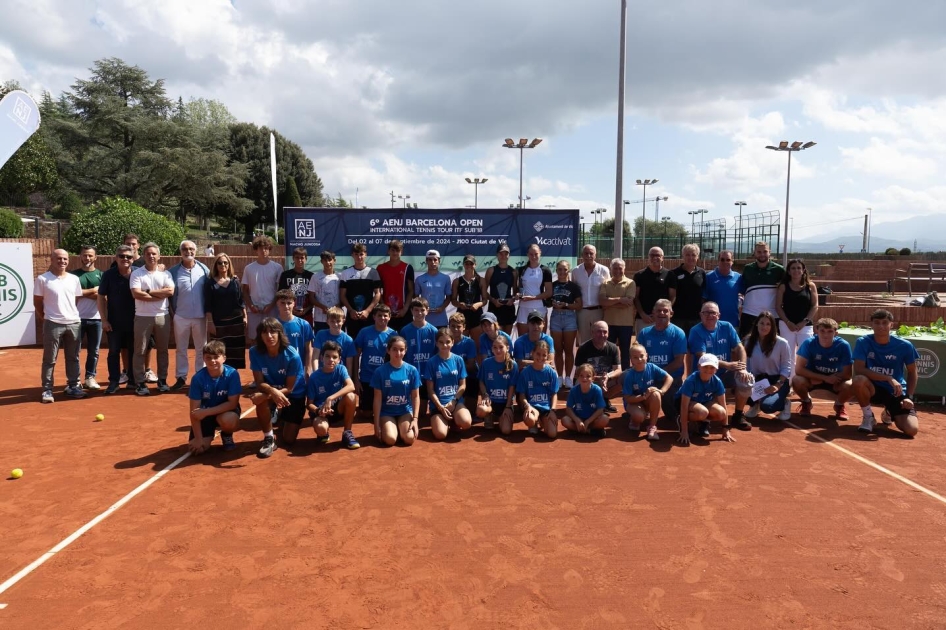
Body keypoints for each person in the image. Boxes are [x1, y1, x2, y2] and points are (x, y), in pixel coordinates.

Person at [850, 309, 920, 436]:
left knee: (911, 430)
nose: (881, 326)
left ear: (891, 325)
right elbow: (859, 369)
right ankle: (868, 417)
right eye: (877, 322)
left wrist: (909, 397)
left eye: (884, 322)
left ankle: (888, 412)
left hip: (896, 391)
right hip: (872, 387)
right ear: (872, 324)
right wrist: (888, 378)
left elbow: (912, 372)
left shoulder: (905, 345)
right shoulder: (863, 342)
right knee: (858, 380)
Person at [688, 301, 752, 430]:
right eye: (706, 312)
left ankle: (738, 415)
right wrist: (727, 365)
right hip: (704, 375)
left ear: (719, 315)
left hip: (724, 374)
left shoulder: (727, 327)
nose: (709, 315)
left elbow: (740, 348)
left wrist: (743, 368)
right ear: (700, 315)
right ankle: (702, 420)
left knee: (746, 380)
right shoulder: (696, 331)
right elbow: (702, 356)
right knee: (705, 402)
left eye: (713, 313)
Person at [249, 318, 305, 458]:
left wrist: (269, 394)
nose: (269, 336)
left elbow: (290, 388)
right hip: (271, 390)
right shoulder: (254, 352)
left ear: (280, 333)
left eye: (273, 332)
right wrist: (272, 392)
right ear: (260, 336)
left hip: (293, 394)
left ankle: (281, 414)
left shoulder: (292, 355)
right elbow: (260, 382)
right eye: (265, 332)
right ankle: (268, 438)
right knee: (260, 400)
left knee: (288, 439)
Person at [35, 249, 86, 403]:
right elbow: (37, 302)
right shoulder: (43, 279)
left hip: (74, 323)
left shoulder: (74, 279)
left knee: (73, 358)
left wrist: (69, 315)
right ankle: (47, 390)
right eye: (58, 258)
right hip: (52, 324)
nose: (62, 261)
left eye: (65, 259)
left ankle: (72, 386)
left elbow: (75, 300)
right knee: (49, 359)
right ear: (51, 259)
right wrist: (46, 318)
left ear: (68, 261)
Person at [129, 243, 175, 395]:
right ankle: (140, 383)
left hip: (163, 316)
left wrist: (148, 292)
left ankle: (162, 380)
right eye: (148, 254)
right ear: (144, 256)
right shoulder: (137, 274)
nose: (151, 256)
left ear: (159, 256)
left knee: (163, 350)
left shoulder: (166, 274)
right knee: (140, 351)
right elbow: (136, 294)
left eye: (154, 254)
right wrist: (157, 295)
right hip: (142, 317)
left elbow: (170, 291)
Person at [733, 311, 793, 423]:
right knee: (739, 388)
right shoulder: (747, 341)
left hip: (776, 380)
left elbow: (786, 367)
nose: (764, 327)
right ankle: (755, 404)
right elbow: (744, 363)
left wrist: (777, 385)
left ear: (773, 326)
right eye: (762, 323)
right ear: (756, 324)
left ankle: (784, 403)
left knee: (768, 407)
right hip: (756, 379)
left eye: (768, 324)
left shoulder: (782, 343)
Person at [186, 340, 242, 454]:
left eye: (216, 357)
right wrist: (198, 439)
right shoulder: (197, 379)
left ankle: (226, 434)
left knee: (229, 420)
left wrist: (206, 412)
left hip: (225, 411)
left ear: (224, 358)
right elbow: (194, 412)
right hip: (204, 416)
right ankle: (207, 435)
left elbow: (232, 404)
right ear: (204, 358)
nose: (212, 361)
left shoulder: (232, 374)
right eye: (208, 357)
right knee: (197, 449)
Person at [635, 299, 687, 420]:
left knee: (672, 416)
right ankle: (640, 408)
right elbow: (636, 356)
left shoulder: (678, 333)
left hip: (670, 379)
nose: (662, 313)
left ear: (671, 313)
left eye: (665, 311)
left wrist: (658, 374)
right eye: (658, 310)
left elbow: (679, 362)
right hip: (648, 378)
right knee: (627, 376)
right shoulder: (644, 333)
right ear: (653, 312)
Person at [168, 240, 210, 391]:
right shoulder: (173, 272)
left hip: (200, 316)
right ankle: (181, 377)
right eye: (185, 249)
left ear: (196, 251)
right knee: (181, 348)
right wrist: (173, 314)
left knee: (201, 348)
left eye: (191, 249)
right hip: (180, 316)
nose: (188, 252)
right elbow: (168, 295)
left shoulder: (204, 269)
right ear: (180, 252)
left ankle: (201, 377)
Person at [793, 317, 853, 418]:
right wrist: (824, 378)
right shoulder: (809, 343)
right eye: (822, 331)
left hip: (835, 380)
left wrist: (833, 379)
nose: (825, 335)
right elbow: (799, 369)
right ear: (816, 331)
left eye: (830, 331)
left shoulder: (843, 345)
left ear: (836, 333)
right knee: (796, 380)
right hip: (813, 379)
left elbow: (848, 374)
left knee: (851, 384)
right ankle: (806, 402)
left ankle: (839, 405)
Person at [98, 245, 137, 395]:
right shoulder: (108, 275)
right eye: (121, 256)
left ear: (133, 258)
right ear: (116, 257)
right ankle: (114, 382)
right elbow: (101, 297)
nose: (125, 259)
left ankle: (133, 381)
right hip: (114, 323)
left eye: (128, 257)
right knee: (114, 352)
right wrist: (104, 320)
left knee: (135, 352)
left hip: (135, 322)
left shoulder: (138, 274)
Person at [305, 340, 359, 449]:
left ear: (339, 359)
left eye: (334, 357)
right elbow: (309, 404)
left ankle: (347, 433)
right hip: (321, 412)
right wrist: (318, 411)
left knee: (351, 396)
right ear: (321, 358)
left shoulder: (341, 369)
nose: (331, 360)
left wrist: (330, 398)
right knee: (321, 428)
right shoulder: (314, 377)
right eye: (327, 356)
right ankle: (324, 433)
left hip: (337, 408)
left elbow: (351, 386)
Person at [371, 335, 422, 446]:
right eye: (394, 349)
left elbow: (415, 396)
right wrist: (376, 424)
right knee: (390, 440)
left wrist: (415, 420)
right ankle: (392, 429)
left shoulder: (412, 370)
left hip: (404, 411)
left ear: (406, 351)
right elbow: (377, 398)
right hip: (387, 412)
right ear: (388, 350)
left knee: (409, 439)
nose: (398, 353)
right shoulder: (380, 371)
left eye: (401, 350)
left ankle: (400, 429)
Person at [675, 353, 734, 445]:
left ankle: (703, 422)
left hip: (703, 402)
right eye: (705, 366)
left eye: (712, 367)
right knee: (702, 412)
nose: (708, 370)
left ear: (716, 369)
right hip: (683, 404)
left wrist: (725, 429)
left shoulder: (717, 382)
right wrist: (684, 431)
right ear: (699, 367)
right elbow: (683, 406)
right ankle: (684, 421)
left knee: (721, 412)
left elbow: (723, 404)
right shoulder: (691, 381)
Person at [425, 327, 472, 439]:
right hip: (438, 404)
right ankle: (444, 420)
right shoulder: (431, 362)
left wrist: (454, 401)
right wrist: (440, 407)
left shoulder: (458, 360)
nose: (444, 345)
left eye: (447, 342)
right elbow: (430, 390)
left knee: (466, 423)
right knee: (440, 435)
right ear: (436, 343)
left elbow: (463, 385)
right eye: (441, 342)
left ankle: (454, 420)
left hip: (454, 402)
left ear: (452, 342)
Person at [775, 258, 817, 377]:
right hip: (786, 325)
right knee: (788, 355)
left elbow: (815, 306)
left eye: (799, 268)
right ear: (788, 271)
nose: (796, 270)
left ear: (803, 270)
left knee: (805, 355)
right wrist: (788, 322)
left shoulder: (810, 286)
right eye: (793, 268)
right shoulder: (783, 287)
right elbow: (778, 307)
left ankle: (803, 383)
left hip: (806, 326)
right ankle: (789, 382)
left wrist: (804, 322)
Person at [204, 253, 247, 370]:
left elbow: (241, 300)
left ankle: (232, 377)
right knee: (218, 350)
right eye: (220, 263)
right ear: (216, 265)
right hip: (219, 322)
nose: (223, 265)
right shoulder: (210, 283)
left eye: (225, 262)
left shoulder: (235, 281)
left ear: (229, 265)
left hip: (236, 322)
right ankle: (220, 376)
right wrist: (210, 322)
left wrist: (245, 316)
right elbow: (208, 305)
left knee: (235, 350)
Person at [622, 344, 672, 441]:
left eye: (641, 356)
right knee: (639, 417)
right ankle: (635, 420)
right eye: (635, 357)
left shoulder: (652, 367)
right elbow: (628, 398)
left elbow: (669, 378)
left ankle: (652, 427)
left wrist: (662, 391)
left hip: (646, 400)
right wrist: (644, 396)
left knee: (656, 394)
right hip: (633, 402)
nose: (639, 359)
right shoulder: (629, 375)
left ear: (647, 356)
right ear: (631, 360)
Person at [354, 305, 395, 418]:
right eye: (379, 315)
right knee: (366, 415)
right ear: (374, 317)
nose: (382, 318)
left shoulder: (393, 335)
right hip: (367, 378)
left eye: (385, 316)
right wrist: (356, 379)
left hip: (385, 378)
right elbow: (356, 355)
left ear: (390, 317)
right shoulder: (364, 332)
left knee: (385, 412)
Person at [70, 245, 103, 390]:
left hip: (97, 319)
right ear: (80, 256)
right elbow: (72, 294)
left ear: (95, 257)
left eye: (90, 255)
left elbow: (104, 297)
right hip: (76, 319)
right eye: (84, 255)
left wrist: (83, 293)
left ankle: (90, 377)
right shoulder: (73, 275)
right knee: (75, 351)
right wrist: (93, 291)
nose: (87, 258)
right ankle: (75, 380)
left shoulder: (101, 275)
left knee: (94, 351)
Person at [737, 241, 785, 338]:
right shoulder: (748, 269)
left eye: (765, 251)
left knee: (771, 347)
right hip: (749, 314)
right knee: (747, 344)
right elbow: (742, 290)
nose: (762, 254)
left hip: (772, 316)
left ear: (769, 252)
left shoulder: (779, 270)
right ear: (754, 252)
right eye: (759, 252)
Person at [242, 235, 283, 343]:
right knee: (255, 340)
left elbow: (279, 290)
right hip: (254, 311)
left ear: (269, 250)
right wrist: (251, 306)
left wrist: (271, 305)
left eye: (266, 248)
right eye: (260, 248)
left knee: (272, 340)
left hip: (272, 310)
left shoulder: (277, 268)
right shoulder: (249, 268)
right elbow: (245, 290)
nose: (263, 251)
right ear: (256, 250)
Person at [574, 320, 623, 410]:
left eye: (605, 332)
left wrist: (607, 376)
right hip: (590, 379)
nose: (602, 334)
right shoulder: (583, 348)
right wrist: (596, 378)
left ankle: (604, 399)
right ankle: (588, 403)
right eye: (599, 331)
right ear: (592, 333)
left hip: (606, 380)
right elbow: (578, 372)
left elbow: (618, 370)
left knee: (623, 380)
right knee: (579, 383)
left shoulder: (613, 348)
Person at [516, 340, 560, 438]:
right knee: (530, 420)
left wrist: (553, 410)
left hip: (546, 408)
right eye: (538, 354)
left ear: (548, 356)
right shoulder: (525, 372)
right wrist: (527, 406)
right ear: (532, 353)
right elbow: (521, 395)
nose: (540, 358)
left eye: (544, 355)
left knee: (552, 434)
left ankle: (542, 420)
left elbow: (554, 394)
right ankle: (534, 422)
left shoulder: (551, 373)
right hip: (532, 407)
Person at [549, 259, 582, 388]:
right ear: (556, 271)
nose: (562, 272)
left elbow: (579, 305)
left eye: (565, 269)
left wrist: (566, 305)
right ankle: (559, 377)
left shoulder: (573, 286)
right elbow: (546, 300)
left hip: (569, 317)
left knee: (568, 350)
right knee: (558, 350)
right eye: (559, 269)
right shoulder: (552, 285)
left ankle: (568, 377)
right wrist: (551, 303)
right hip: (556, 317)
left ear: (568, 271)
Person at [476, 334, 519, 433]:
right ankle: (489, 415)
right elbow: (481, 381)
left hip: (505, 403)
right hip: (491, 402)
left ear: (507, 348)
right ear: (492, 349)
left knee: (506, 431)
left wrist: (508, 407)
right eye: (495, 347)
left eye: (501, 347)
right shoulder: (486, 363)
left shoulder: (513, 365)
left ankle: (501, 418)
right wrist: (485, 395)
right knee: (480, 410)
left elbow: (512, 387)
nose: (498, 350)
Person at [339, 242, 382, 340]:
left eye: (361, 254)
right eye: (356, 254)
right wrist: (350, 310)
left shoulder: (373, 272)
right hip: (352, 316)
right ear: (352, 255)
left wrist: (368, 310)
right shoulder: (345, 273)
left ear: (366, 254)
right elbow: (342, 295)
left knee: (369, 343)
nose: (359, 257)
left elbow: (378, 293)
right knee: (353, 344)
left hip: (369, 316)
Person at [599, 258, 636, 371]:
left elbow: (629, 302)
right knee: (608, 351)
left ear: (624, 269)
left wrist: (609, 303)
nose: (617, 271)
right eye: (615, 268)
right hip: (609, 324)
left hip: (626, 324)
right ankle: (608, 376)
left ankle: (624, 376)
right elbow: (602, 301)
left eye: (620, 268)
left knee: (625, 352)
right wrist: (621, 300)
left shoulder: (630, 283)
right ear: (611, 269)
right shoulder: (605, 283)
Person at [570, 244, 610, 345]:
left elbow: (608, 290)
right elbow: (573, 292)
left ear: (595, 255)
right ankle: (585, 361)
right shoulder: (575, 271)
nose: (588, 256)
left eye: (591, 253)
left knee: (600, 340)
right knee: (584, 342)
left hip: (599, 311)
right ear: (582, 255)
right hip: (582, 312)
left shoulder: (604, 270)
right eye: (586, 253)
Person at [633, 246, 675, 334]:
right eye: (652, 255)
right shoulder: (639, 275)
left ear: (662, 258)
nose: (655, 257)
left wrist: (663, 313)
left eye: (658, 255)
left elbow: (672, 296)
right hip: (644, 319)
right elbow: (636, 297)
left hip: (662, 318)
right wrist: (642, 314)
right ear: (648, 257)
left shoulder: (670, 275)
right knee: (642, 346)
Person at [562, 363, 610, 438]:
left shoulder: (597, 390)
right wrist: (577, 420)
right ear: (577, 377)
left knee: (605, 419)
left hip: (593, 419)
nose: (584, 379)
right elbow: (568, 409)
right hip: (579, 418)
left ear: (593, 378)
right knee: (565, 420)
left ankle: (580, 430)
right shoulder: (573, 390)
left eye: (588, 376)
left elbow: (600, 409)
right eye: (581, 376)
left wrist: (588, 421)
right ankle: (589, 431)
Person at [274, 289, 315, 374]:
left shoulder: (304, 324)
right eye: (282, 303)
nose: (286, 306)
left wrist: (308, 369)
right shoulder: (272, 325)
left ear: (294, 303)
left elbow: (309, 349)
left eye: (289, 303)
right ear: (277, 304)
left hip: (298, 369)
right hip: (278, 370)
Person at [400, 297, 439, 384]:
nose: (419, 313)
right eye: (416, 310)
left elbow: (437, 353)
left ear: (427, 311)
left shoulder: (434, 331)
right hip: (409, 374)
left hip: (429, 375)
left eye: (422, 310)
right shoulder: (405, 331)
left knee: (426, 397)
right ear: (411, 311)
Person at [377, 240, 414, 332]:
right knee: (387, 340)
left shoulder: (407, 268)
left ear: (402, 252)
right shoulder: (380, 268)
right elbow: (378, 291)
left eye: (398, 250)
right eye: (393, 250)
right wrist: (384, 308)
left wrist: (405, 309)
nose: (395, 253)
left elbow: (411, 290)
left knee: (404, 341)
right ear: (388, 251)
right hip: (386, 313)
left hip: (404, 312)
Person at [516, 244, 553, 335]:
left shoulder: (545, 270)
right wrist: (517, 294)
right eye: (531, 254)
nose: (534, 256)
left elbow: (549, 292)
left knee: (540, 340)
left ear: (540, 253)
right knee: (523, 340)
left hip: (539, 307)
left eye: (536, 254)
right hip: (524, 308)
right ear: (527, 255)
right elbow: (518, 288)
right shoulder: (521, 270)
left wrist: (532, 298)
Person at [670, 244, 706, 336]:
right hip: (678, 318)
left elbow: (704, 295)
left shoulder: (702, 273)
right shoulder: (674, 273)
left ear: (697, 257)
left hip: (696, 318)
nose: (690, 257)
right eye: (687, 255)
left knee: (694, 347)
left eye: (693, 255)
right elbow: (671, 295)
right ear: (683, 256)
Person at [484, 242, 518, 334]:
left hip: (508, 309)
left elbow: (515, 292)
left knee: (506, 339)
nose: (503, 256)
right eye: (501, 253)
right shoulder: (491, 270)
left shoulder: (513, 272)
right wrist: (493, 300)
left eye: (506, 253)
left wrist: (512, 299)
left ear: (509, 255)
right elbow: (483, 291)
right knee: (495, 337)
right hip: (494, 308)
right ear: (497, 255)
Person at [703, 250, 741, 330]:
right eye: (722, 259)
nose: (725, 262)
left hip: (733, 323)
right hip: (713, 323)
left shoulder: (738, 277)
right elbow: (703, 299)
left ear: (732, 261)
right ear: (718, 261)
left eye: (728, 260)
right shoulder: (709, 277)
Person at [451, 254, 487, 342]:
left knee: (478, 346)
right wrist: (460, 304)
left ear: (475, 265)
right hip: (461, 317)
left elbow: (485, 300)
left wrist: (478, 304)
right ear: (463, 265)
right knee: (460, 344)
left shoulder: (481, 280)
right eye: (466, 264)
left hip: (476, 316)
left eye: (471, 264)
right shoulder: (457, 281)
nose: (469, 266)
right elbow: (453, 300)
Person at [313, 306, 356, 375]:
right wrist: (316, 375)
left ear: (343, 321)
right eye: (332, 321)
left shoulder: (348, 340)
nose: (335, 324)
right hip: (322, 373)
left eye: (338, 321)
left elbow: (349, 366)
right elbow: (315, 357)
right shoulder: (320, 334)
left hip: (339, 376)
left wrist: (347, 381)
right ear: (327, 321)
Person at [415, 249, 452, 328]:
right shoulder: (419, 279)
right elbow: (416, 298)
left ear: (439, 261)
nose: (433, 262)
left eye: (435, 259)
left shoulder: (445, 278)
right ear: (426, 261)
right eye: (430, 260)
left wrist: (442, 308)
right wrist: (422, 309)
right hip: (424, 320)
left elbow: (449, 298)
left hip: (441, 320)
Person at [307, 250, 340, 334]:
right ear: (321, 261)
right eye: (325, 260)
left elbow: (343, 296)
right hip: (320, 318)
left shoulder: (340, 277)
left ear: (334, 261)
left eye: (330, 260)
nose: (327, 263)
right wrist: (323, 307)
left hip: (337, 317)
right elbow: (311, 297)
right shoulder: (315, 277)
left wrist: (334, 308)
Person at [447, 312, 478, 402]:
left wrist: (451, 367)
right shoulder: (445, 342)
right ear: (449, 326)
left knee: (470, 410)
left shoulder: (469, 342)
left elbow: (471, 365)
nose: (455, 329)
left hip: (469, 377)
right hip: (450, 378)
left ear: (464, 327)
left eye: (459, 326)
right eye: (453, 326)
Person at [278, 247, 314, 323]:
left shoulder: (311, 276)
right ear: (293, 259)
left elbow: (314, 297)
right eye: (297, 258)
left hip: (306, 314)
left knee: (306, 334)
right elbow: (280, 295)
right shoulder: (285, 275)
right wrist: (291, 309)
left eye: (302, 258)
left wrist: (306, 309)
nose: (300, 260)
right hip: (289, 313)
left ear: (306, 259)